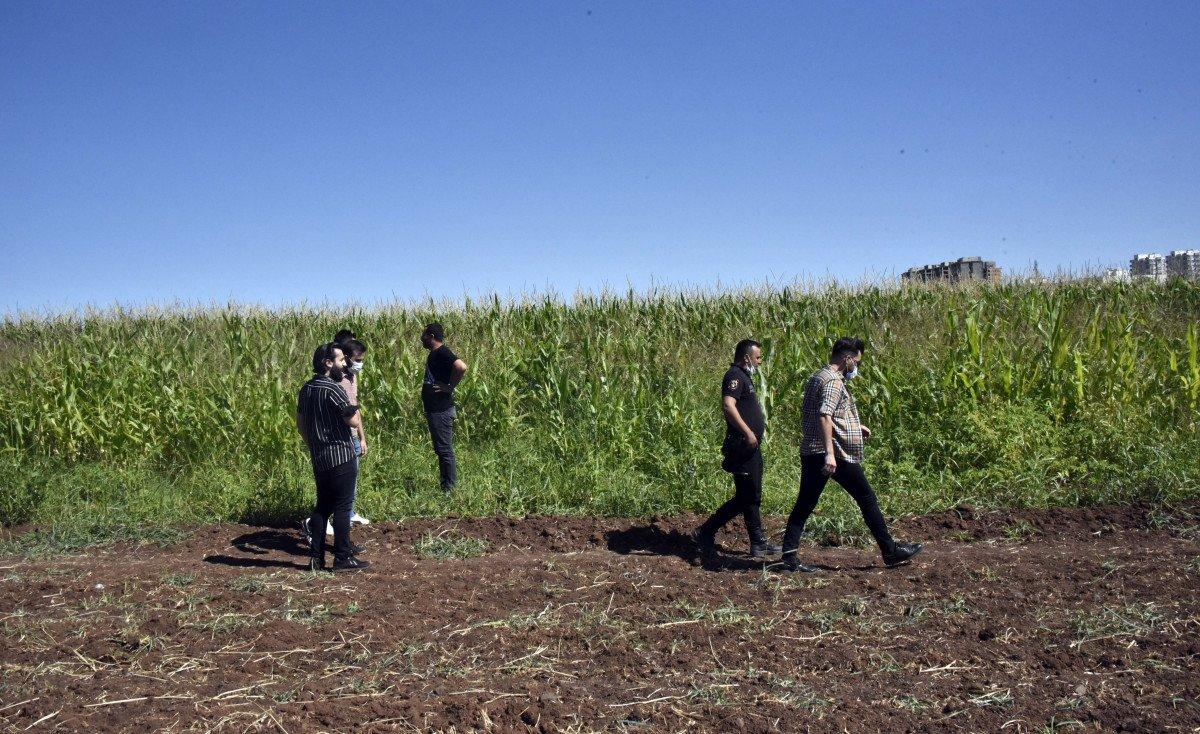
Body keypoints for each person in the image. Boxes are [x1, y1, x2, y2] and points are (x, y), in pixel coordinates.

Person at [779, 337, 923, 573]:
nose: (856, 366)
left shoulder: (818, 376)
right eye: (856, 361)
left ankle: (789, 555)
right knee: (866, 498)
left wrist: (856, 427)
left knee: (805, 503)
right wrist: (830, 454)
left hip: (812, 450)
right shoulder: (834, 382)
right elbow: (824, 415)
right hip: (833, 452)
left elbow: (827, 414)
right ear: (846, 359)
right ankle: (890, 551)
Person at [693, 339, 780, 562]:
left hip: (752, 447)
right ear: (746, 357)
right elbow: (728, 406)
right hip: (742, 445)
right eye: (758, 357)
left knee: (753, 495)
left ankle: (758, 543)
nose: (760, 362)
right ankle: (706, 531)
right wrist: (749, 433)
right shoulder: (734, 376)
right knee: (746, 496)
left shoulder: (744, 377)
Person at [296, 342, 370, 572]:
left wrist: (314, 444)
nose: (344, 364)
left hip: (319, 456)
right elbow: (353, 420)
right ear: (328, 363)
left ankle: (316, 559)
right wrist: (354, 408)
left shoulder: (306, 388)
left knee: (322, 507)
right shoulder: (333, 388)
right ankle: (342, 557)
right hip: (341, 454)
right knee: (342, 506)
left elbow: (301, 425)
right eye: (340, 360)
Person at [420, 323, 468, 492]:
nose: (422, 338)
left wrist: (450, 386)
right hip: (435, 410)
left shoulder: (442, 352)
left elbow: (461, 366)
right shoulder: (434, 354)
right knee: (441, 449)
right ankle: (446, 486)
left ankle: (449, 489)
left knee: (445, 449)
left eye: (424, 335)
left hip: (441, 410)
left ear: (431, 336)